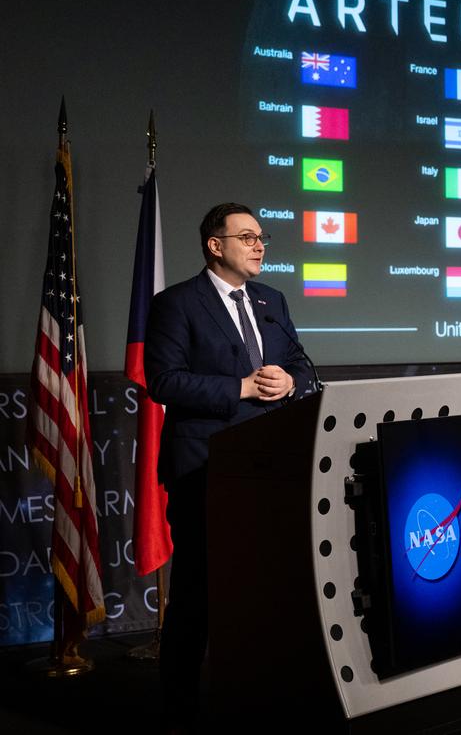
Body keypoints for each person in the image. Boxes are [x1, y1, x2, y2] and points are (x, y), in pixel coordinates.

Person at [144, 203, 313, 721]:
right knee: (198, 596)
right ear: (215, 245)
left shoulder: (271, 299)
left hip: (271, 469)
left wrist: (290, 382)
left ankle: (254, 702)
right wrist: (239, 387)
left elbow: (303, 364)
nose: (260, 245)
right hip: (205, 472)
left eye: (262, 237)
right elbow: (164, 382)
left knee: (266, 593)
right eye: (247, 237)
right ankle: (178, 712)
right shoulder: (178, 303)